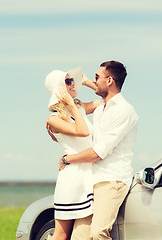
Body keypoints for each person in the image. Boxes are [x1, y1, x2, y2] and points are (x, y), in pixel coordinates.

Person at [58, 61, 138, 240]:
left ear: (109, 81)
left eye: (96, 77)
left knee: (97, 233)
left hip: (111, 180)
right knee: (79, 237)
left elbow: (98, 153)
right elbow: (72, 110)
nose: (93, 80)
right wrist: (82, 83)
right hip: (91, 179)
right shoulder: (101, 106)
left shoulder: (123, 111)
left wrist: (67, 159)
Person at [45, 66, 100, 240]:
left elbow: (109, 101)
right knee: (61, 235)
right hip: (72, 178)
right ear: (59, 87)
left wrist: (88, 83)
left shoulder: (79, 108)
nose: (72, 84)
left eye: (72, 80)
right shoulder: (53, 119)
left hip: (90, 174)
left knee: (83, 233)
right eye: (67, 81)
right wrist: (70, 104)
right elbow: (83, 131)